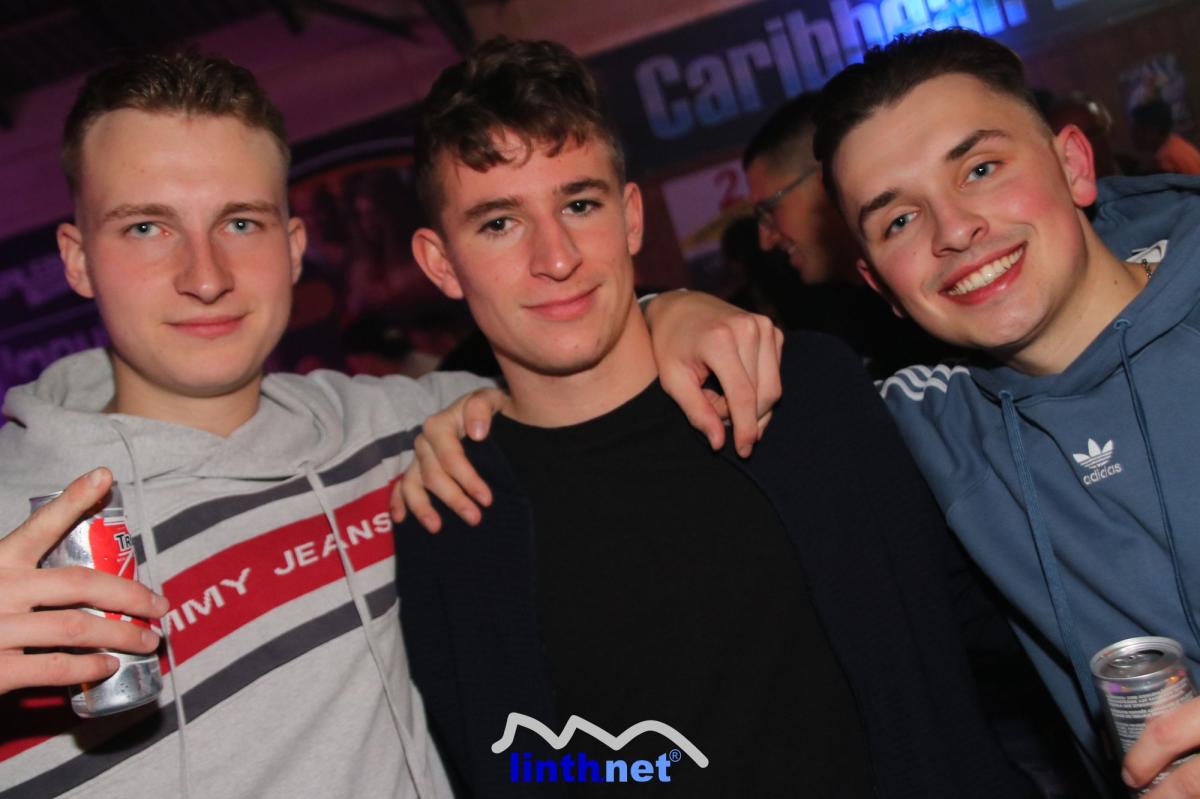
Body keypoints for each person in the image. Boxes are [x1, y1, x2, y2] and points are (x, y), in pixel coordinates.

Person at [0, 50, 782, 798]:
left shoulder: (395, 427)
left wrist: (674, 312)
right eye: (147, 227)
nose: (204, 276)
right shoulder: (13, 525)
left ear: (295, 247)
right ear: (77, 257)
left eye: (241, 223)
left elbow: (567, 363)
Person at [395, 35, 1039, 798]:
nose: (556, 256)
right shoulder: (458, 513)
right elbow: (516, 769)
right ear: (440, 262)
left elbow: (997, 619)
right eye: (499, 223)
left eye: (580, 204)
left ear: (631, 217)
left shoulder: (803, 390)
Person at [810, 29, 1200, 795]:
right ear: (881, 287)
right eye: (898, 220)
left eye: (981, 169)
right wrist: (669, 311)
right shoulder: (932, 422)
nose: (954, 230)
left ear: (1074, 165)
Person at [742, 94, 953, 378]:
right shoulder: (828, 324)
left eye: (769, 210)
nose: (764, 241)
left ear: (825, 183)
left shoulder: (934, 288)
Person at [1130, 99, 1200, 176]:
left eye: (1136, 130)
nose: (1133, 136)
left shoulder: (1165, 159)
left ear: (1153, 131)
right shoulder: (1175, 142)